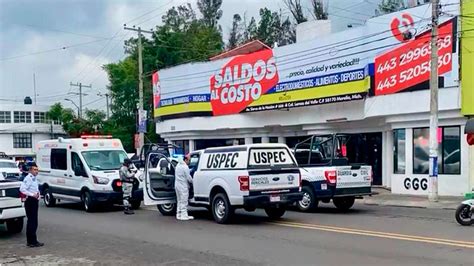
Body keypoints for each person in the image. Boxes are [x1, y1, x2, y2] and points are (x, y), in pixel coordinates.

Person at [19, 162, 44, 248]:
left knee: (34, 221)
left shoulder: (34, 178)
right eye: (34, 170)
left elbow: (35, 188)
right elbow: (22, 189)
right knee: (32, 221)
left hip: (34, 200)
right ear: (30, 170)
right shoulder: (28, 178)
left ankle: (32, 240)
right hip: (30, 201)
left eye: (37, 170)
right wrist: (32, 195)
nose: (36, 171)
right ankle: (32, 241)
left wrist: (38, 194)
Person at [175, 155, 193, 221]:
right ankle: (184, 216)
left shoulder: (178, 165)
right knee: (184, 201)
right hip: (183, 186)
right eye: (189, 160)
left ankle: (178, 214)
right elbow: (188, 177)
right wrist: (193, 181)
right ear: (185, 160)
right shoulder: (185, 167)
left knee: (179, 201)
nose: (189, 161)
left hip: (177, 185)